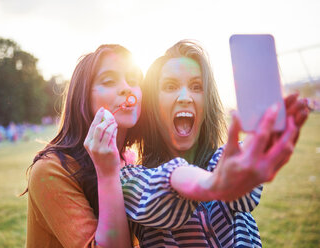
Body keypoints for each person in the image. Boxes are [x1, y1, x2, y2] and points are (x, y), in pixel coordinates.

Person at [118, 40, 309, 247]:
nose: (185, 97)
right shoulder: (130, 180)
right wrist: (213, 184)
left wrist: (257, 143)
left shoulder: (223, 160)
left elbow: (244, 190)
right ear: (152, 106)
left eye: (196, 86)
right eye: (170, 86)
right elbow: (162, 195)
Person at [24, 44, 143, 248]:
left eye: (133, 80)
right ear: (83, 98)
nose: (126, 88)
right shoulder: (50, 170)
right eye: (109, 81)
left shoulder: (130, 160)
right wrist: (108, 173)